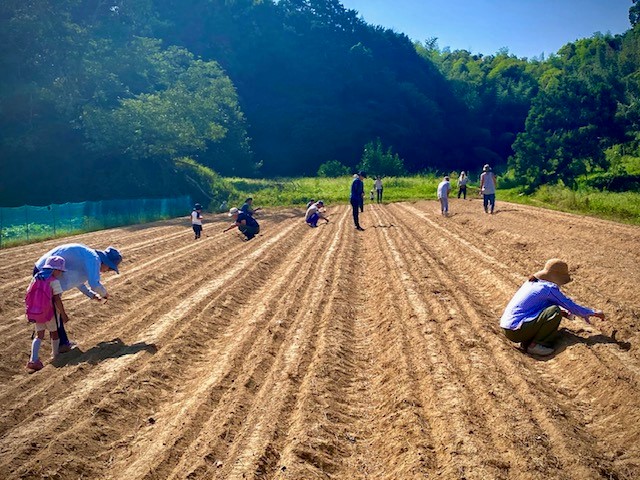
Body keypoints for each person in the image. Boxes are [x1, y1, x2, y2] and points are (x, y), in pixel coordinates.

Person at [500, 259, 606, 356]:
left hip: (508, 328)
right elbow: (570, 305)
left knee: (554, 309)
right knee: (554, 311)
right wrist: (592, 312)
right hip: (516, 330)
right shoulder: (548, 289)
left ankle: (527, 342)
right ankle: (535, 345)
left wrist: (563, 311)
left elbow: (538, 305)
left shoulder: (532, 283)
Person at [33, 244, 122, 353]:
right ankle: (60, 345)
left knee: (55, 310)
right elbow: (94, 283)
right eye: (109, 268)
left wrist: (91, 295)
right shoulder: (94, 259)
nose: (107, 271)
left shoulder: (88, 257)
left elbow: (77, 280)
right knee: (54, 311)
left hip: (44, 271)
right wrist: (105, 294)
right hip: (46, 272)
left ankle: (61, 343)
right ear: (106, 262)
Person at [25, 256, 69, 372]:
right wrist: (63, 314)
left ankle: (33, 359)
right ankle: (55, 355)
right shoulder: (54, 281)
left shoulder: (36, 277)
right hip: (50, 312)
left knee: (39, 335)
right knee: (54, 333)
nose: (60, 273)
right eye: (60, 270)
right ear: (54, 269)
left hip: (37, 312)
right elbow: (57, 299)